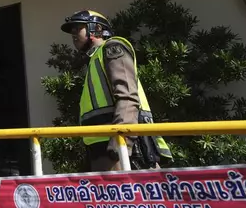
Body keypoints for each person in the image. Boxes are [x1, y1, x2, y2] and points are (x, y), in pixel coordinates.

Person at [60, 10, 172, 171]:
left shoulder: (113, 48)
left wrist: (122, 142)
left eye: (78, 28)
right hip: (102, 148)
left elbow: (127, 96)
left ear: (96, 29)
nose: (73, 34)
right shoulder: (94, 60)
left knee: (135, 195)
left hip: (123, 148)